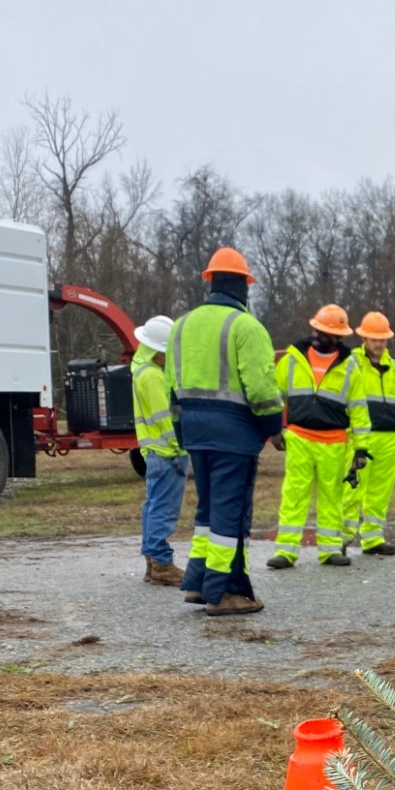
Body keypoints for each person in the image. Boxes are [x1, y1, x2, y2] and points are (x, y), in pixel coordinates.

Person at [167, 248, 284, 616]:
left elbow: (172, 388)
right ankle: (227, 591)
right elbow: (262, 388)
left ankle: (199, 584)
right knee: (230, 514)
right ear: (243, 286)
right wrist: (273, 428)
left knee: (208, 512)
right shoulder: (246, 327)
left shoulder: (181, 325)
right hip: (234, 436)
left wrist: (182, 431)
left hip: (195, 433)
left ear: (211, 281)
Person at [266, 304, 370, 569]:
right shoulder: (292, 358)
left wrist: (361, 449)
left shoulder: (350, 367)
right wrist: (274, 429)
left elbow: (359, 411)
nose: (318, 335)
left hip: (334, 442)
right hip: (299, 438)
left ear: (338, 337)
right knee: (294, 494)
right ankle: (286, 551)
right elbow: (275, 395)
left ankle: (330, 550)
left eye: (324, 332)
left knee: (332, 497)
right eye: (317, 329)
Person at [345, 311, 395, 555]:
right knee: (352, 488)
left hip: (391, 439)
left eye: (383, 339)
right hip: (362, 437)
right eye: (375, 339)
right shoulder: (351, 362)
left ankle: (373, 539)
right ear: (364, 338)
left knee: (380, 491)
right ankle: (341, 538)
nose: (379, 343)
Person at [132, 315, 189, 586]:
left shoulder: (142, 372)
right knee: (163, 510)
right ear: (158, 351)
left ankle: (152, 564)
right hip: (167, 453)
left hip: (155, 452)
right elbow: (166, 419)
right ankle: (162, 564)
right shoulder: (154, 377)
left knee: (153, 507)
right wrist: (182, 446)